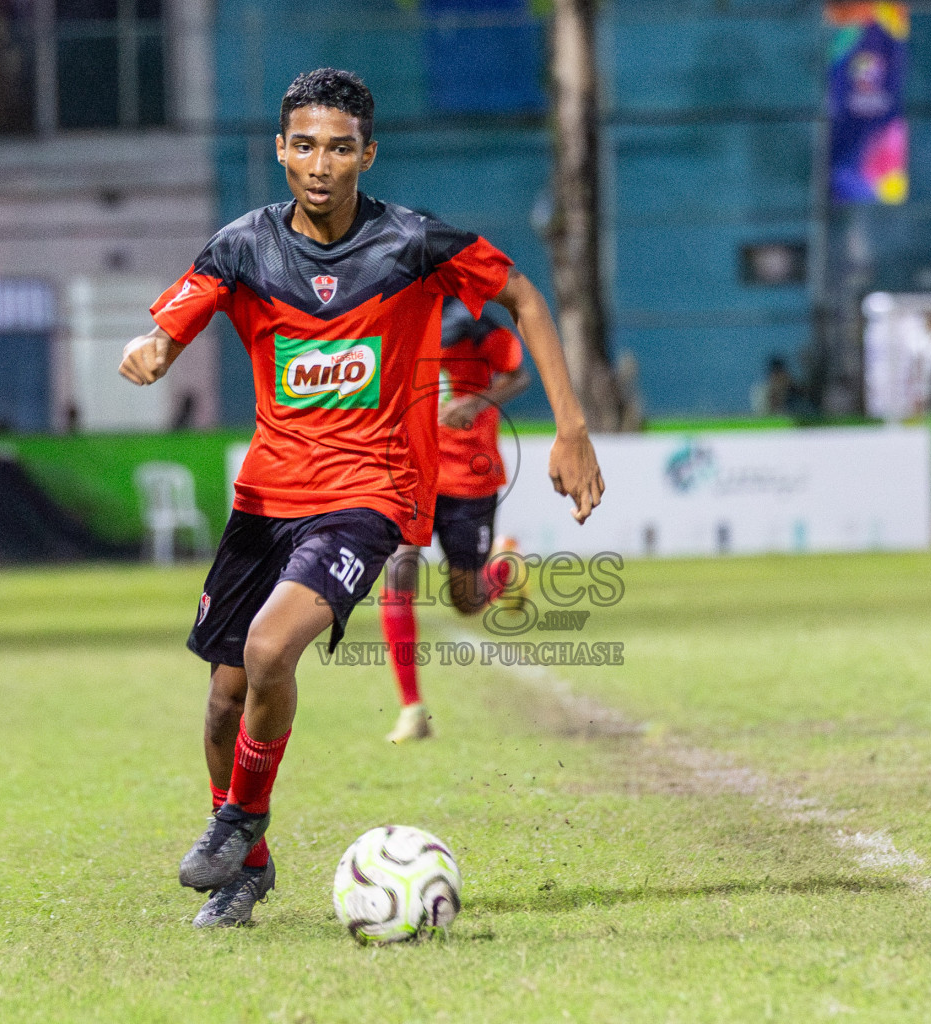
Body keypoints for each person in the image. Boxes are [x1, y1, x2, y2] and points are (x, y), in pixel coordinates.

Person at [117, 68, 604, 929]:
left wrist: (569, 428)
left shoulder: (411, 243)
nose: (320, 163)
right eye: (304, 144)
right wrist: (154, 349)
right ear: (281, 149)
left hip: (368, 496)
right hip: (267, 499)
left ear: (366, 154)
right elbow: (174, 322)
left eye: (340, 148)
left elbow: (524, 296)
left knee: (271, 654)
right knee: (225, 697)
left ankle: (240, 818)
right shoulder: (243, 246)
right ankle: (250, 868)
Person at [380, 296, 530, 744]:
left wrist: (477, 402)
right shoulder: (396, 316)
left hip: (470, 478)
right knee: (398, 571)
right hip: (413, 473)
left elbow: (519, 377)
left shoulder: (486, 330)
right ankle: (412, 708)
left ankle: (504, 570)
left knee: (466, 602)